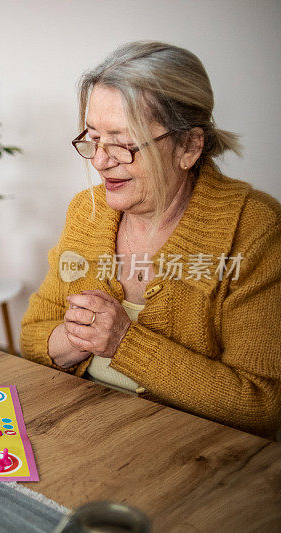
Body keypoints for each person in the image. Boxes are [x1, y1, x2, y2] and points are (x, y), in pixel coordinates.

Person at [20, 41, 281, 439]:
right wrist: (75, 337)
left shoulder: (253, 227)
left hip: (192, 459)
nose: (100, 161)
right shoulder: (86, 212)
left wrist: (125, 342)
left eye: (123, 144)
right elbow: (33, 333)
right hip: (83, 433)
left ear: (189, 145)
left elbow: (262, 403)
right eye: (93, 138)